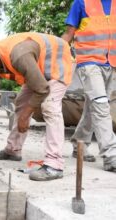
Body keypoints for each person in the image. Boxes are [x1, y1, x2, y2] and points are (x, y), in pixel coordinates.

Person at [0, 32, 73, 181]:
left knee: (50, 107)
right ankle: (13, 150)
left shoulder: (19, 56)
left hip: (57, 62)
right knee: (21, 103)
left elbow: (42, 89)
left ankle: (54, 164)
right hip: (37, 70)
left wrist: (25, 117)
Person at [61, 0, 116, 171]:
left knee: (93, 107)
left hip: (112, 63)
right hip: (89, 62)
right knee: (101, 107)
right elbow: (69, 34)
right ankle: (111, 156)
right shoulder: (81, 3)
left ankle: (80, 143)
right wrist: (53, 55)